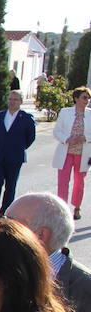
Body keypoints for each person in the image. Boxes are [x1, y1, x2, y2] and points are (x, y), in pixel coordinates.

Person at [0, 89, 37, 219]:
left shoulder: (26, 118)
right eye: (10, 99)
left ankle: (5, 212)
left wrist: (18, 147)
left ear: (20, 102)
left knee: (10, 186)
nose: (12, 102)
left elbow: (30, 137)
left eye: (15, 99)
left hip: (15, 157)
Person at [52, 85, 91, 220]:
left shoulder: (90, 114)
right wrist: (67, 139)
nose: (87, 100)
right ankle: (62, 209)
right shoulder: (65, 112)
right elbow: (57, 131)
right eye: (84, 97)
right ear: (76, 98)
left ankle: (77, 207)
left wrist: (85, 138)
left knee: (79, 182)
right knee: (63, 181)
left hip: (83, 153)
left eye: (88, 98)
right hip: (66, 152)